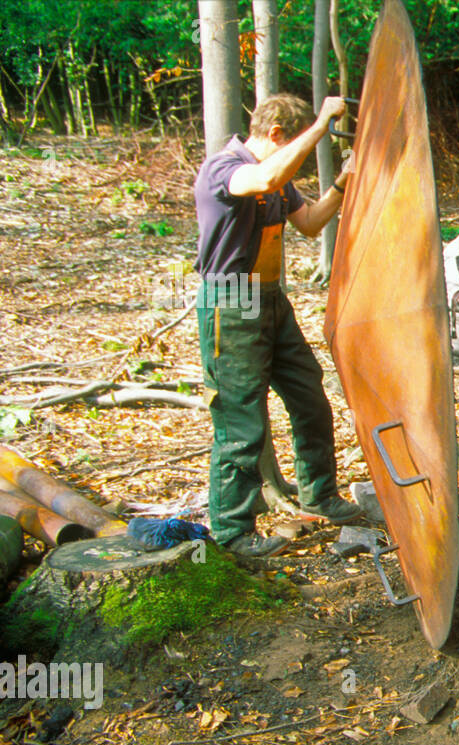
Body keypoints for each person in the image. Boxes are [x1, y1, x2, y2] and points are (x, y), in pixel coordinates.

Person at [193, 93, 362, 557]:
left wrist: (343, 186)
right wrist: (322, 124)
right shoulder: (225, 168)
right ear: (276, 135)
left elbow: (309, 223)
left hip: (271, 299)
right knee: (241, 419)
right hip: (232, 301)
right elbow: (264, 175)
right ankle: (231, 533)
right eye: (297, 142)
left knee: (309, 393)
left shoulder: (279, 182)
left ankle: (319, 495)